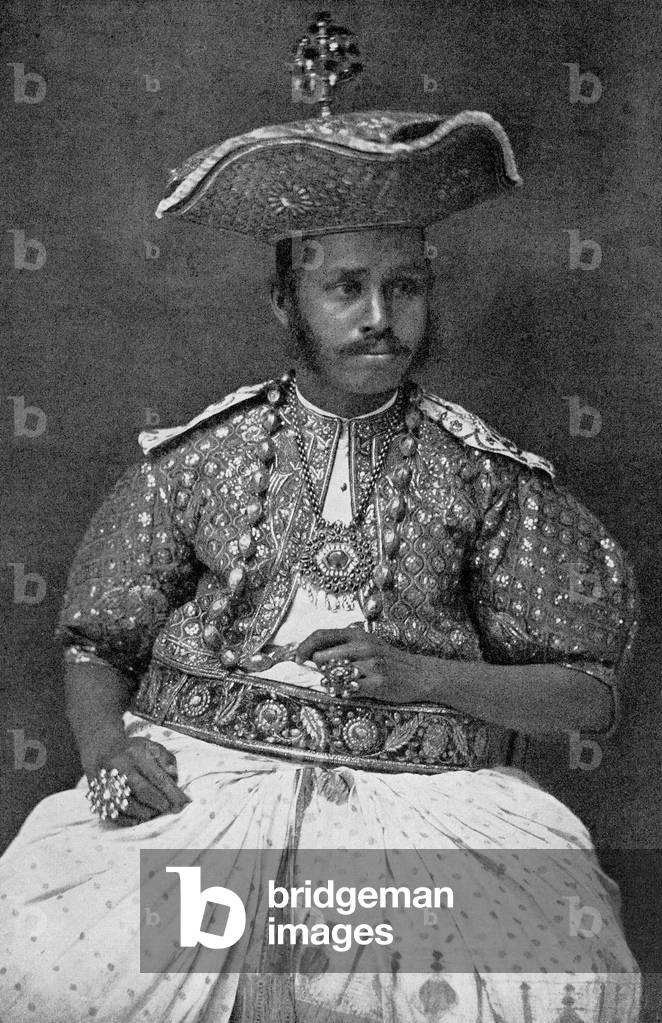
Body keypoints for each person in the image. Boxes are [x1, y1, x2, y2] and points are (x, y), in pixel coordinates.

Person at [0, 13, 641, 1023]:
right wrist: (106, 754)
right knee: (52, 963)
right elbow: (96, 640)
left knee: (546, 983)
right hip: (209, 794)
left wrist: (423, 675)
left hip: (424, 811)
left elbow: (586, 697)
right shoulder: (202, 457)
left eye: (404, 286)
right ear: (284, 301)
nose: (379, 316)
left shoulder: (486, 477)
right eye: (346, 287)